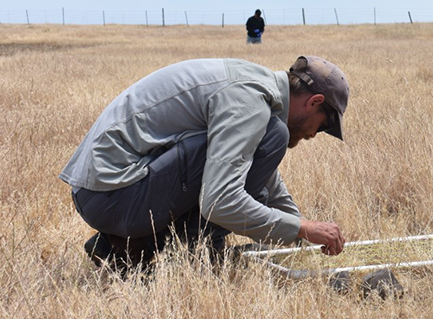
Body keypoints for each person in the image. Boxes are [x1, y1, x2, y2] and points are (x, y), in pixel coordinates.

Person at [61, 56, 349, 275]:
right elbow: (220, 202)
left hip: (105, 194)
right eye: (321, 127)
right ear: (314, 102)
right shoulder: (250, 101)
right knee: (272, 139)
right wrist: (300, 228)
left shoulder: (254, 87)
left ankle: (119, 248)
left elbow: (249, 164)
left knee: (265, 144)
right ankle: (198, 256)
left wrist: (298, 230)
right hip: (114, 196)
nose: (312, 135)